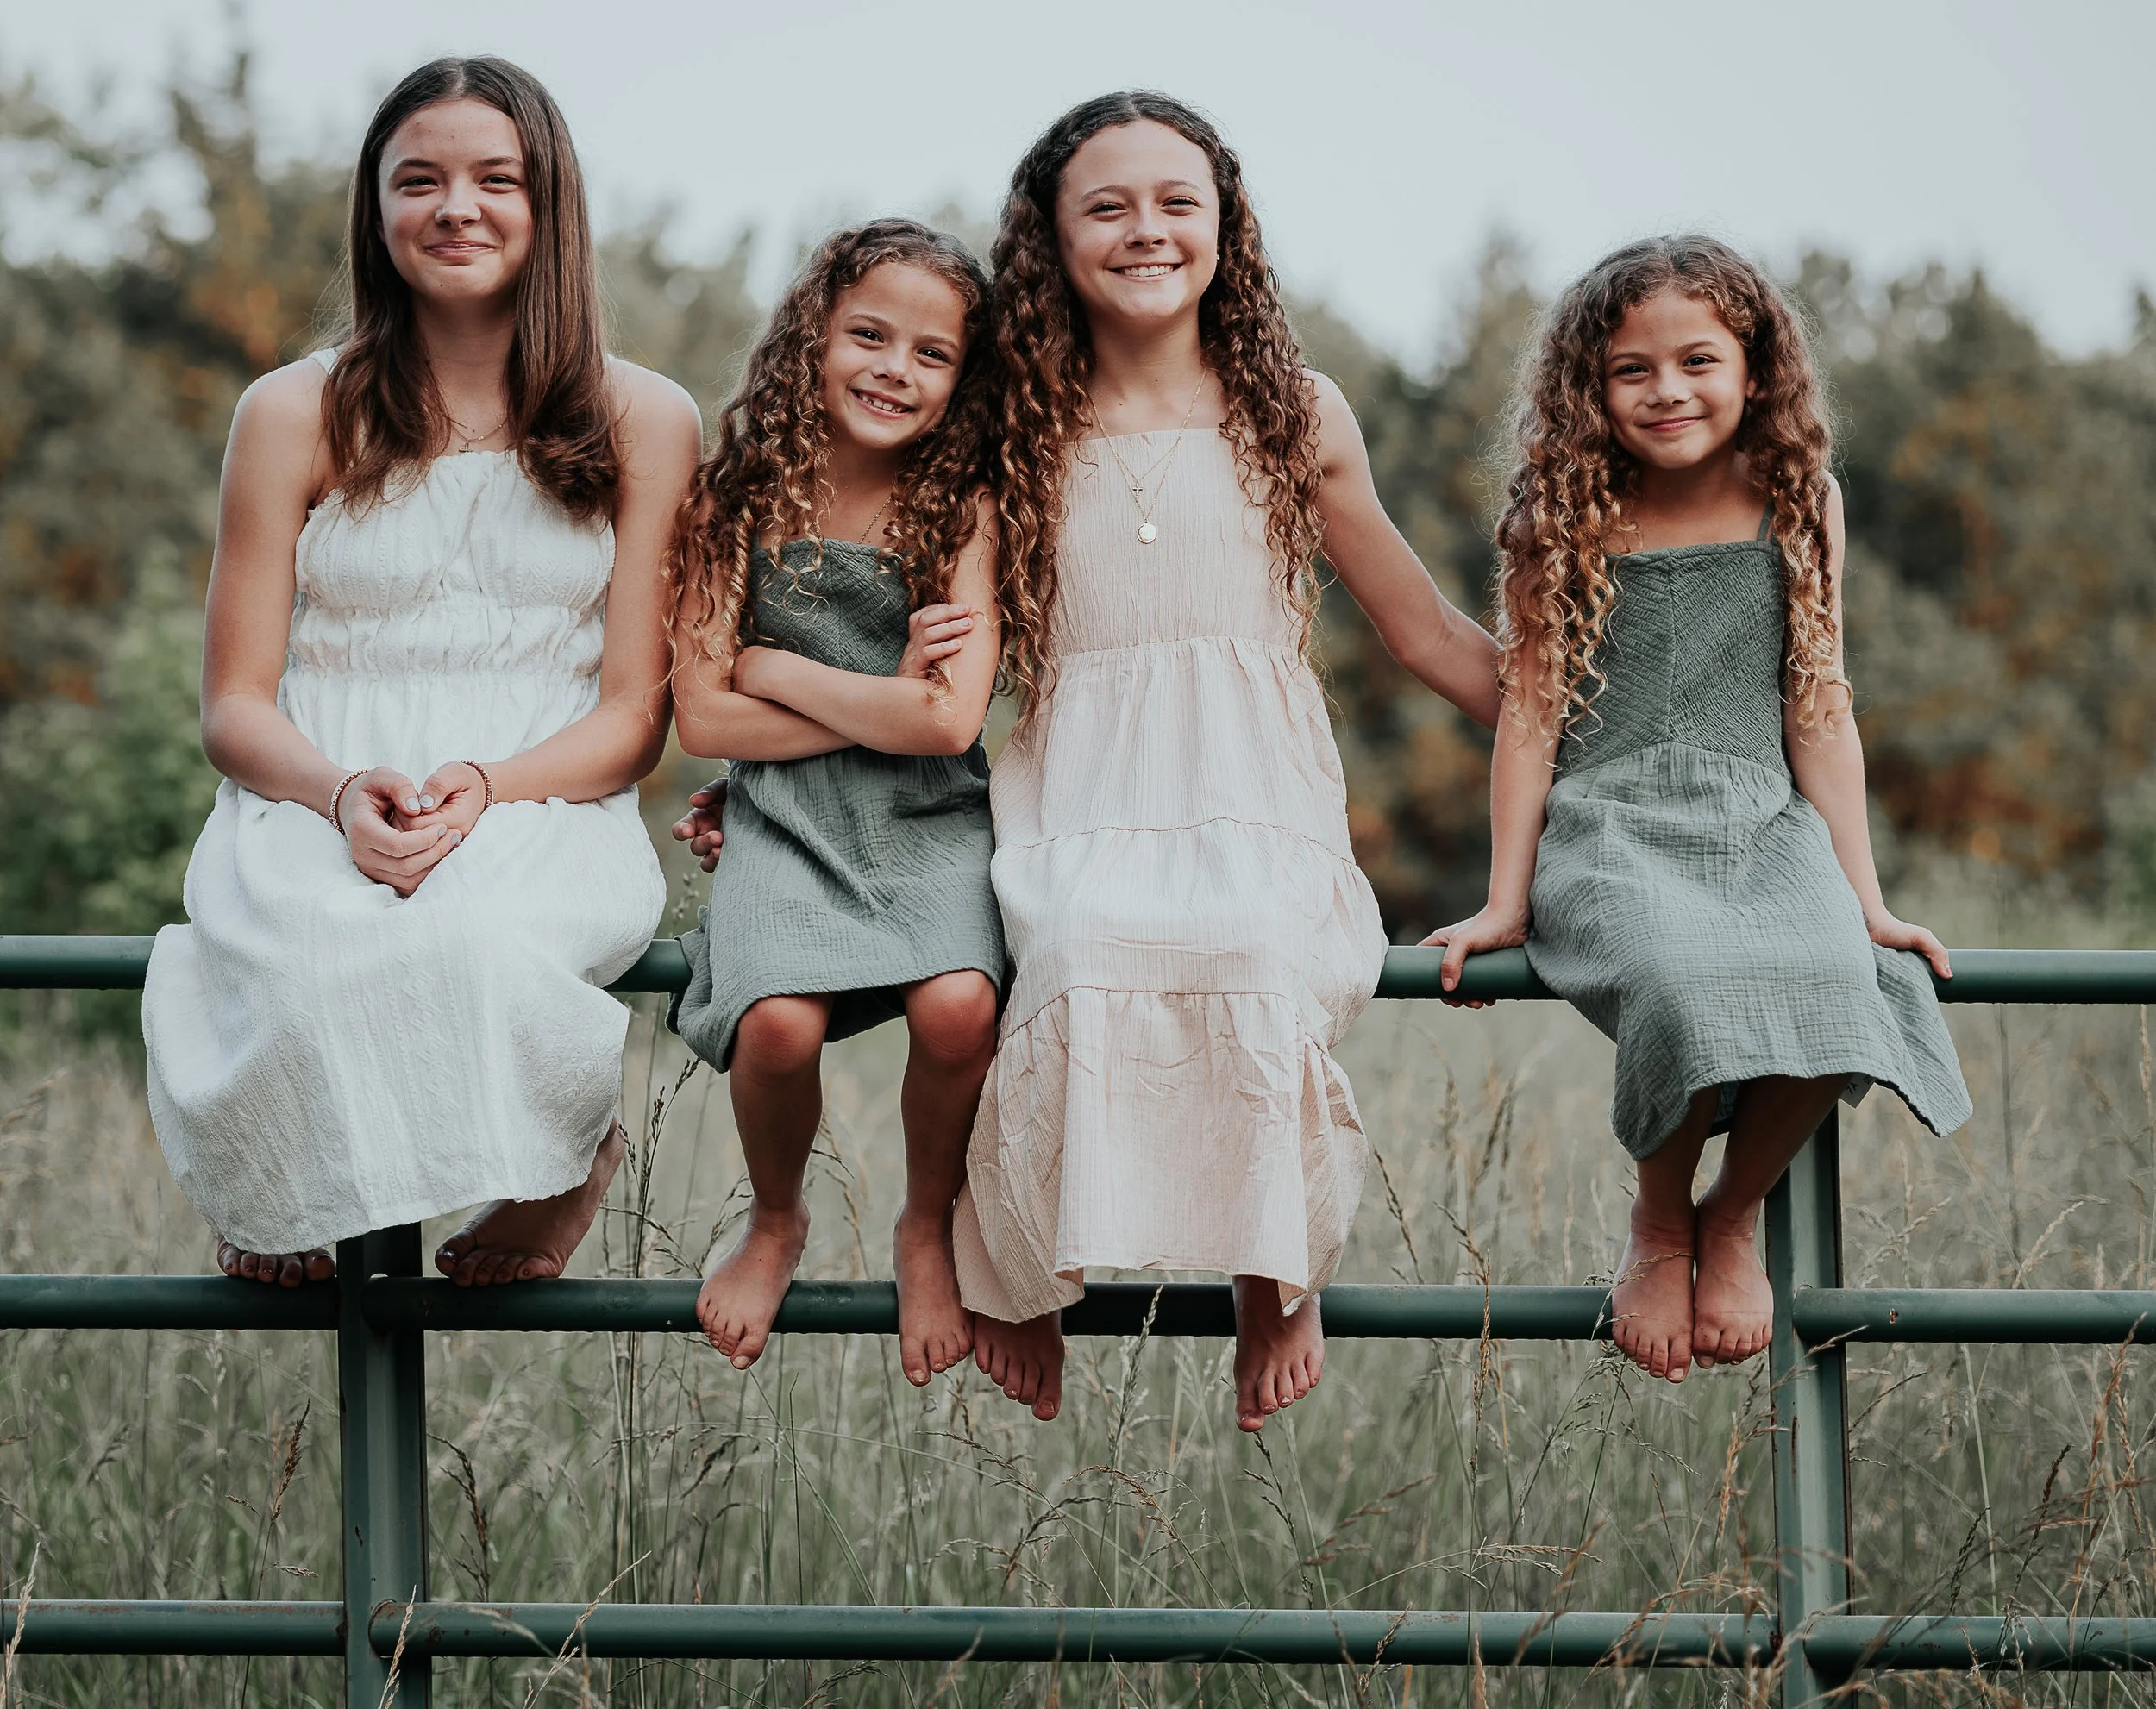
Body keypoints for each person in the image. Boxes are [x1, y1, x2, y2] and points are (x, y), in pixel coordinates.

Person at [951, 91, 1502, 1432]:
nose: (1148, 230)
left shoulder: (1293, 414)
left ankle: (1276, 1266)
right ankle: (1030, 1265)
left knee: (1256, 946)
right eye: (1109, 205)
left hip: (1255, 791)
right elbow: (922, 651)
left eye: (1176, 202)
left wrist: (1593, 732)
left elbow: (1423, 626)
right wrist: (775, 779)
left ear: (1224, 225)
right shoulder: (1006, 422)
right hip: (1080, 791)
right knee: (1072, 949)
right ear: (1051, 236)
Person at [142, 57, 698, 1286]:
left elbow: (631, 718)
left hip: (541, 787)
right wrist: (340, 792)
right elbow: (233, 702)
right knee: (306, 947)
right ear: (375, 211)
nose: (457, 206)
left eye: (496, 179)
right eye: (419, 180)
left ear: (548, 205)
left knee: (484, 936)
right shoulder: (293, 411)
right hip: (322, 776)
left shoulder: (644, 416)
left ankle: (563, 1160)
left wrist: (489, 785)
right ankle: (284, 1182)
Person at [1426, 235, 1971, 1383]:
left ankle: (1734, 1212)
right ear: (1591, 387)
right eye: (1633, 371)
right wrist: (1501, 903)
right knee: (1678, 971)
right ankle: (1660, 1219)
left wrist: (1865, 900)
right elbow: (1528, 717)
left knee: (1847, 976)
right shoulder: (1560, 511)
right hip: (1610, 824)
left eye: (1697, 361)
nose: (1667, 391)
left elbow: (1819, 706)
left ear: (1756, 368)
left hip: (1759, 821)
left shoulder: (1795, 499)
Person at [666, 221, 1006, 1388]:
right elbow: (701, 722)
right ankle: (775, 1218)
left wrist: (773, 668)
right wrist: (880, 695)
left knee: (961, 1004)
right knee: (777, 1023)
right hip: (787, 823)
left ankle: (926, 1222)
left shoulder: (961, 508)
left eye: (932, 353)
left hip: (929, 817)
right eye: (868, 335)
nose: (894, 369)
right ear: (812, 338)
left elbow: (948, 726)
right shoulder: (735, 500)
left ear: (964, 381)